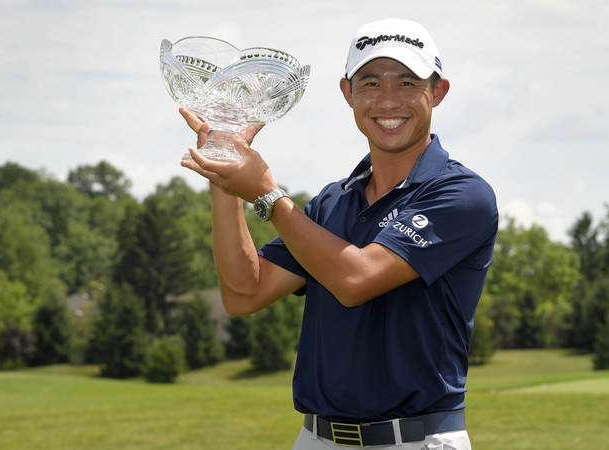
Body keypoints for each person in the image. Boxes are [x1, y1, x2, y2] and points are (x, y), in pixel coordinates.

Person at [180, 17, 498, 450]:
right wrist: (225, 177)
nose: (388, 101)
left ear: (437, 91)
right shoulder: (332, 202)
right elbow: (244, 293)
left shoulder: (462, 194)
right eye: (370, 83)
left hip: (415, 441)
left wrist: (268, 195)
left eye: (407, 83)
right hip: (316, 439)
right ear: (348, 93)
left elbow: (356, 280)